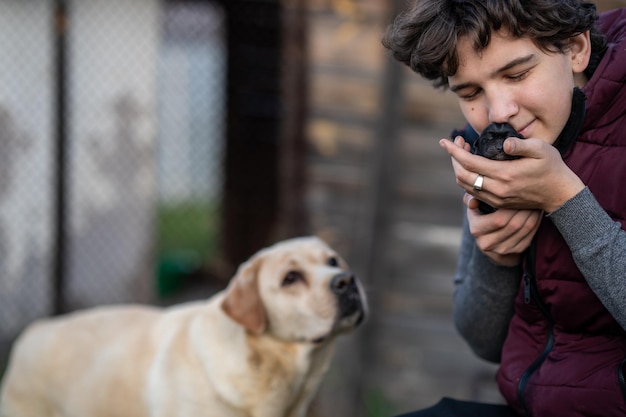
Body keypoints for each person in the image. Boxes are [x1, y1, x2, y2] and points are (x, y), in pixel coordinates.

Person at [382, 1, 626, 416]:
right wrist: (497, 254)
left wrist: (565, 200)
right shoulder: (489, 149)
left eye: (516, 74)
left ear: (575, 48)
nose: (499, 113)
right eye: (471, 93)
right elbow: (485, 341)